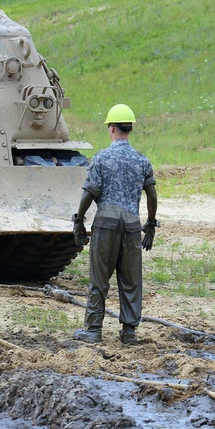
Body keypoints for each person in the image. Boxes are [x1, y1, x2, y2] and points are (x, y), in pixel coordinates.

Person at [72, 104, 159, 345]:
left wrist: (79, 222)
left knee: (99, 279)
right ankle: (129, 332)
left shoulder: (101, 157)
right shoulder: (142, 160)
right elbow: (152, 196)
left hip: (106, 224)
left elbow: (89, 193)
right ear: (129, 128)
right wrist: (150, 226)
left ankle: (93, 329)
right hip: (132, 225)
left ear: (111, 129)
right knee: (131, 281)